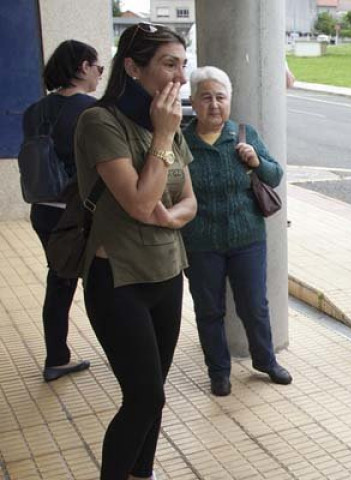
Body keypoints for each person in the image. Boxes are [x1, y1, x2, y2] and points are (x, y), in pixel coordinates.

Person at [74, 23, 197, 480]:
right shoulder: (100, 122)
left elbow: (189, 199)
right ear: (133, 67)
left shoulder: (165, 120)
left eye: (183, 65)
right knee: (144, 396)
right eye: (169, 64)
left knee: (155, 394)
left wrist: (174, 217)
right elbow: (140, 201)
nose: (180, 78)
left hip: (167, 272)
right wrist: (163, 136)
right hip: (118, 280)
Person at [180, 66, 291, 397]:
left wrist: (257, 161)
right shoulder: (181, 141)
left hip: (247, 239)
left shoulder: (244, 135)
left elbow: (274, 176)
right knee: (209, 309)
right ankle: (218, 371)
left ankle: (266, 361)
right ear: (194, 102)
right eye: (206, 97)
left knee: (254, 305)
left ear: (229, 101)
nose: (214, 104)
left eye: (220, 97)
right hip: (200, 242)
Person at [21, 39, 101, 382]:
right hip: (77, 212)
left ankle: (57, 355)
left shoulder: (34, 111)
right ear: (83, 66)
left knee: (60, 279)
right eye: (98, 67)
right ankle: (124, 350)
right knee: (100, 281)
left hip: (42, 210)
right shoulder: (91, 111)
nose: (99, 74)